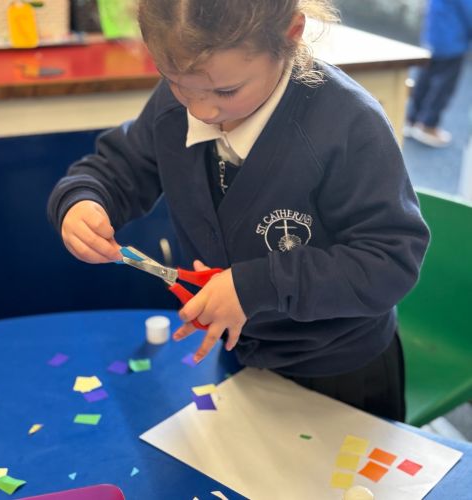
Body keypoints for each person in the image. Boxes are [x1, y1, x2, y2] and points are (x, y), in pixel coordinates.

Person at [48, 0, 430, 421]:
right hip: (239, 353)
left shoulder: (348, 125)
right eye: (175, 82)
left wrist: (256, 286)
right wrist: (84, 199)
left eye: (226, 91)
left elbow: (390, 261)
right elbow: (120, 166)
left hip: (339, 368)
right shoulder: (181, 102)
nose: (200, 110)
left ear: (290, 35)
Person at [406, 0, 472, 148]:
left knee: (424, 78)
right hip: (453, 40)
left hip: (434, 35)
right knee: (443, 86)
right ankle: (428, 125)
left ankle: (411, 119)